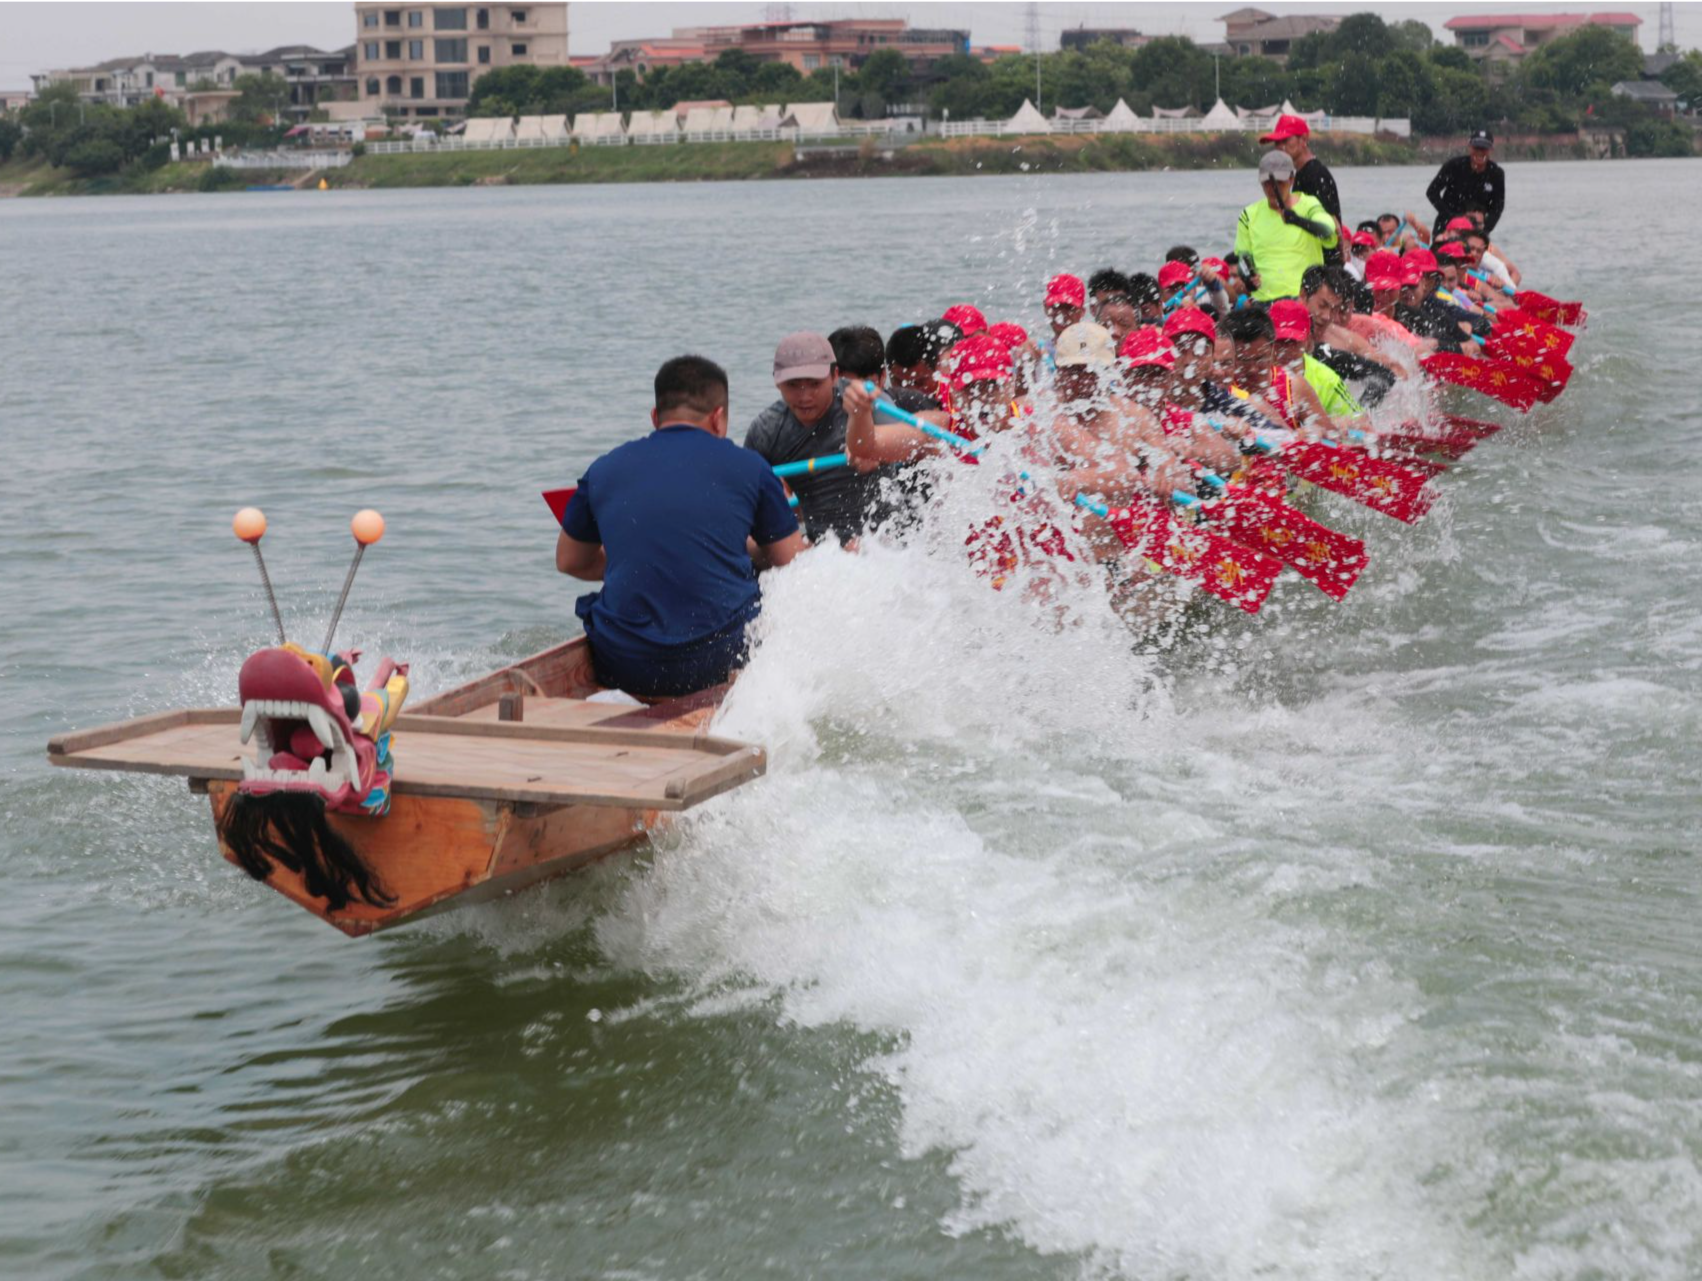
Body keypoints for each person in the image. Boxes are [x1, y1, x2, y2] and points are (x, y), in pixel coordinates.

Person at [556, 355, 803, 699]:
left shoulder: (603, 469)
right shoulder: (753, 468)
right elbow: (791, 561)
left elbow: (570, 561)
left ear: (656, 417)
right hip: (717, 661)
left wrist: (641, 563)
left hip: (625, 664)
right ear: (718, 418)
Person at [746, 331, 876, 544]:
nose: (805, 396)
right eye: (793, 385)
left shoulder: (863, 400)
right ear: (777, 382)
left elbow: (935, 423)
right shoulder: (766, 430)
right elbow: (743, 504)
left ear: (835, 376)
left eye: (815, 384)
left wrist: (876, 445)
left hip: (887, 542)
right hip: (820, 550)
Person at [1234, 149, 1338, 302]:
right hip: (1265, 302)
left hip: (1304, 300)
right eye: (1267, 183)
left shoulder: (1309, 205)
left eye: (1279, 182)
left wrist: (1298, 221)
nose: (1272, 188)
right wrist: (1248, 277)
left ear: (1291, 179)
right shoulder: (1248, 215)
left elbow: (1328, 232)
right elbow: (1243, 257)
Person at [1262, 114, 1342, 266]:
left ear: (1304, 140)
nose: (1280, 147)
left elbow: (1333, 224)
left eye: (1285, 141)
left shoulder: (1315, 174)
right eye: (1276, 143)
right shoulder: (1299, 174)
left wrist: (1342, 256)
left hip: (1324, 265)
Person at [1426, 129, 1505, 241]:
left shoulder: (1496, 173)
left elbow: (1497, 207)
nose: (1480, 152)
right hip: (1447, 225)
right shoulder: (1454, 166)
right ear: (1469, 147)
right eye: (1476, 148)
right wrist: (1452, 217)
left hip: (1477, 230)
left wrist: (1485, 229)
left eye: (1484, 149)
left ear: (1490, 149)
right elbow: (1432, 192)